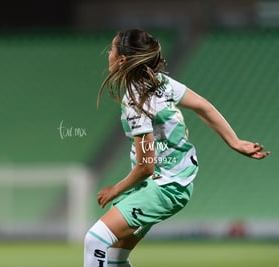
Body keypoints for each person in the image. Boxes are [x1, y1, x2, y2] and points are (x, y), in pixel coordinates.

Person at [83, 28, 270, 267]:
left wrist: (114, 190)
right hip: (167, 182)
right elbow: (203, 105)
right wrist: (234, 141)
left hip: (165, 186)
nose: (108, 53)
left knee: (95, 240)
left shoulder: (135, 101)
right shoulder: (159, 82)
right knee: (114, 256)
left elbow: (145, 167)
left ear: (122, 59)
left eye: (112, 49)